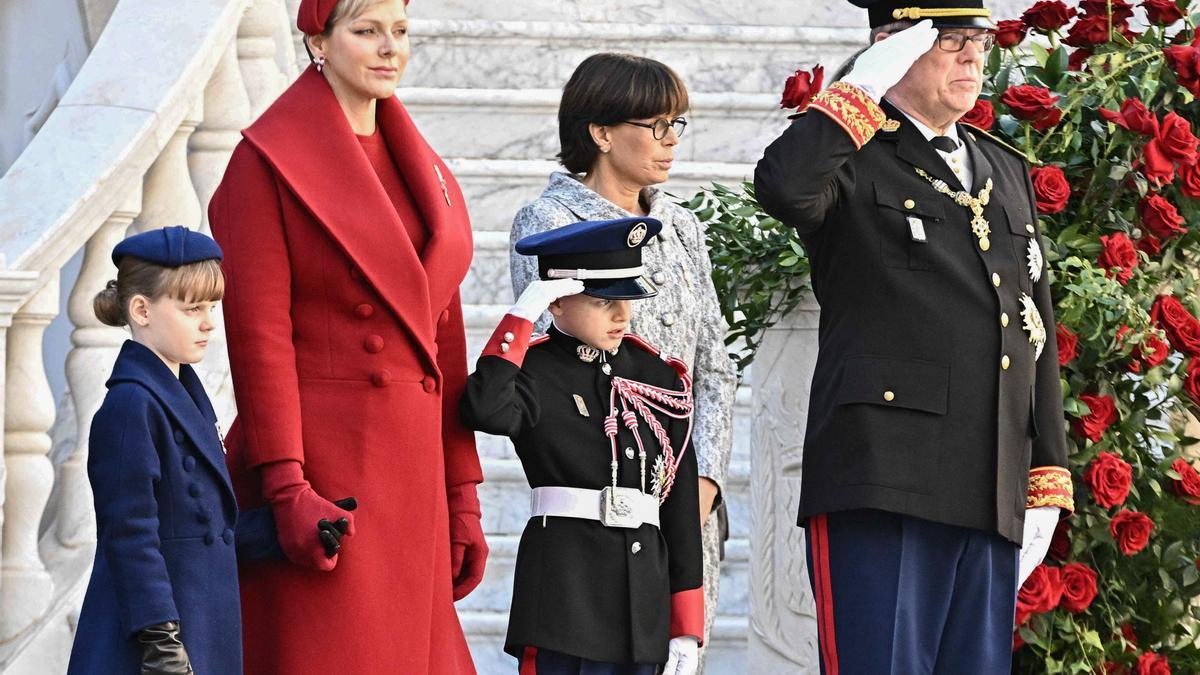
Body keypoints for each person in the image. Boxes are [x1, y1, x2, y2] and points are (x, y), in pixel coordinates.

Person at [753, 1, 1074, 672]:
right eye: (950, 41)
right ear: (892, 47)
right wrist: (861, 87)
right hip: (884, 477)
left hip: (989, 484)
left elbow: (1032, 321)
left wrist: (1046, 473)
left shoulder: (1001, 166)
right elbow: (783, 187)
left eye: (978, 42)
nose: (972, 57)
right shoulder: (852, 152)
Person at [207, 0, 485, 672]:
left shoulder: (430, 172)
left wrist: (463, 495)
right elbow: (259, 343)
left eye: (400, 32)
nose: (390, 49)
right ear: (318, 44)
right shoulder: (264, 165)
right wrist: (286, 488)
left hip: (413, 478)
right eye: (366, 32)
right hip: (331, 480)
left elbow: (442, 348)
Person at [509, 53, 736, 662]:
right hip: (599, 503)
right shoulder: (549, 221)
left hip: (686, 498)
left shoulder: (681, 224)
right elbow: (543, 356)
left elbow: (713, 360)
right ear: (601, 132)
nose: (670, 141)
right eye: (654, 124)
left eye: (676, 124)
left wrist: (704, 478)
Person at [464, 217, 705, 675]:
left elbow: (678, 503)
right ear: (555, 304)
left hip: (644, 608)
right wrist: (519, 317)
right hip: (564, 602)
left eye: (627, 300)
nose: (622, 316)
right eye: (602, 301)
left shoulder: (658, 377)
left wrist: (686, 625)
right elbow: (483, 410)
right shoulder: (532, 370)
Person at [67, 227, 289, 675]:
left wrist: (289, 529)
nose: (208, 322)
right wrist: (160, 646)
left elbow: (204, 527)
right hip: (153, 649)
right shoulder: (130, 405)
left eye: (211, 307)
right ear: (142, 309)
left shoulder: (185, 397)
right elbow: (130, 537)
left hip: (201, 631)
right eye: (192, 309)